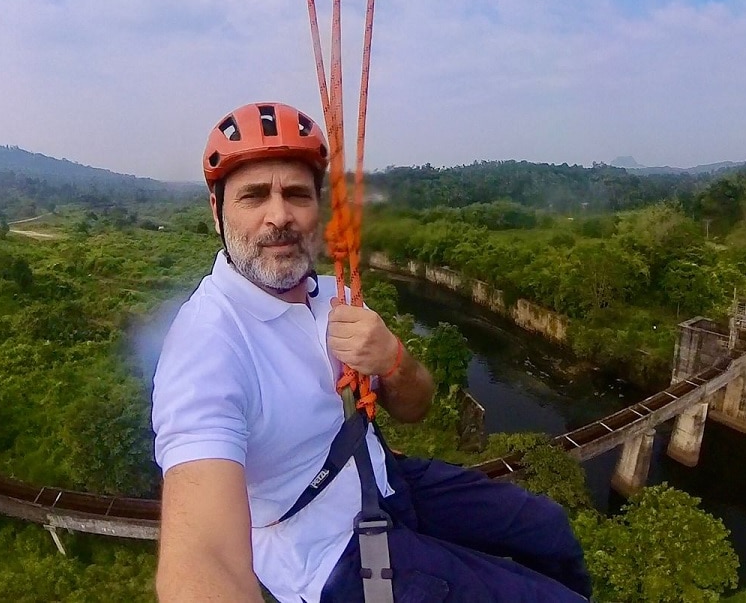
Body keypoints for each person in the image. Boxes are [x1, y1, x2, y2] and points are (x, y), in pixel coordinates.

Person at [151, 101, 592, 602]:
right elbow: (202, 560)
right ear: (217, 211)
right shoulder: (208, 344)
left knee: (549, 527)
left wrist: (393, 360)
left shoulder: (331, 296)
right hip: (330, 554)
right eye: (253, 196)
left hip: (384, 479)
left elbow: (415, 406)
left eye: (296, 194)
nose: (279, 216)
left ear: (317, 208)